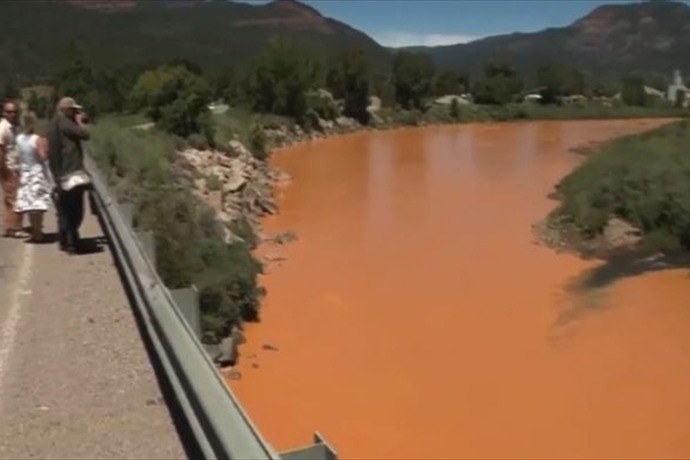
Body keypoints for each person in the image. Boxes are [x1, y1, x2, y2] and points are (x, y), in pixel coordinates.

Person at [47, 97, 90, 254]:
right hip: (71, 173)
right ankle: (72, 242)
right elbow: (85, 134)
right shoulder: (65, 122)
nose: (76, 113)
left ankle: (66, 241)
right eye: (74, 110)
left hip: (60, 172)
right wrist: (80, 122)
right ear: (66, 110)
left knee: (64, 210)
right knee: (75, 210)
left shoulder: (52, 123)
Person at [14, 111, 52, 242]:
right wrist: (46, 147)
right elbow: (43, 156)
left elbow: (18, 156)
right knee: (38, 206)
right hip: (36, 172)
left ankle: (36, 232)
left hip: (25, 172)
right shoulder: (37, 139)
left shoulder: (19, 138)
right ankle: (38, 232)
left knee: (30, 205)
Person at [0, 100, 27, 238]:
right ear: (4, 112)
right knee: (15, 198)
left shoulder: (14, 127)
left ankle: (10, 226)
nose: (13, 114)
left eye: (15, 112)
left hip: (16, 166)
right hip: (8, 167)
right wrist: (4, 169)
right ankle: (15, 228)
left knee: (11, 198)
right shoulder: (3, 128)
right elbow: (1, 149)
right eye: (9, 112)